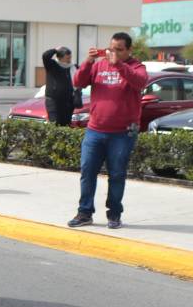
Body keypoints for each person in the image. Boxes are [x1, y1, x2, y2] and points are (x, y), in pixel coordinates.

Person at [67, 33, 148, 230]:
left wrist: (119, 65)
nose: (114, 53)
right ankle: (84, 212)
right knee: (87, 171)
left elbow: (140, 82)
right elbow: (78, 81)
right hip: (95, 130)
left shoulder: (136, 67)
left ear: (129, 50)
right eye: (112, 48)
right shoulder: (98, 65)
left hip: (122, 133)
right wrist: (88, 61)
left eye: (120, 49)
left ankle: (114, 214)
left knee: (117, 174)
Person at [41, 46, 76, 126]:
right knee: (54, 123)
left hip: (68, 101)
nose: (69, 60)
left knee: (66, 124)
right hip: (53, 101)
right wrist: (55, 50)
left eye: (70, 57)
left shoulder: (72, 67)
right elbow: (45, 56)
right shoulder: (51, 65)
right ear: (60, 58)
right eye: (67, 58)